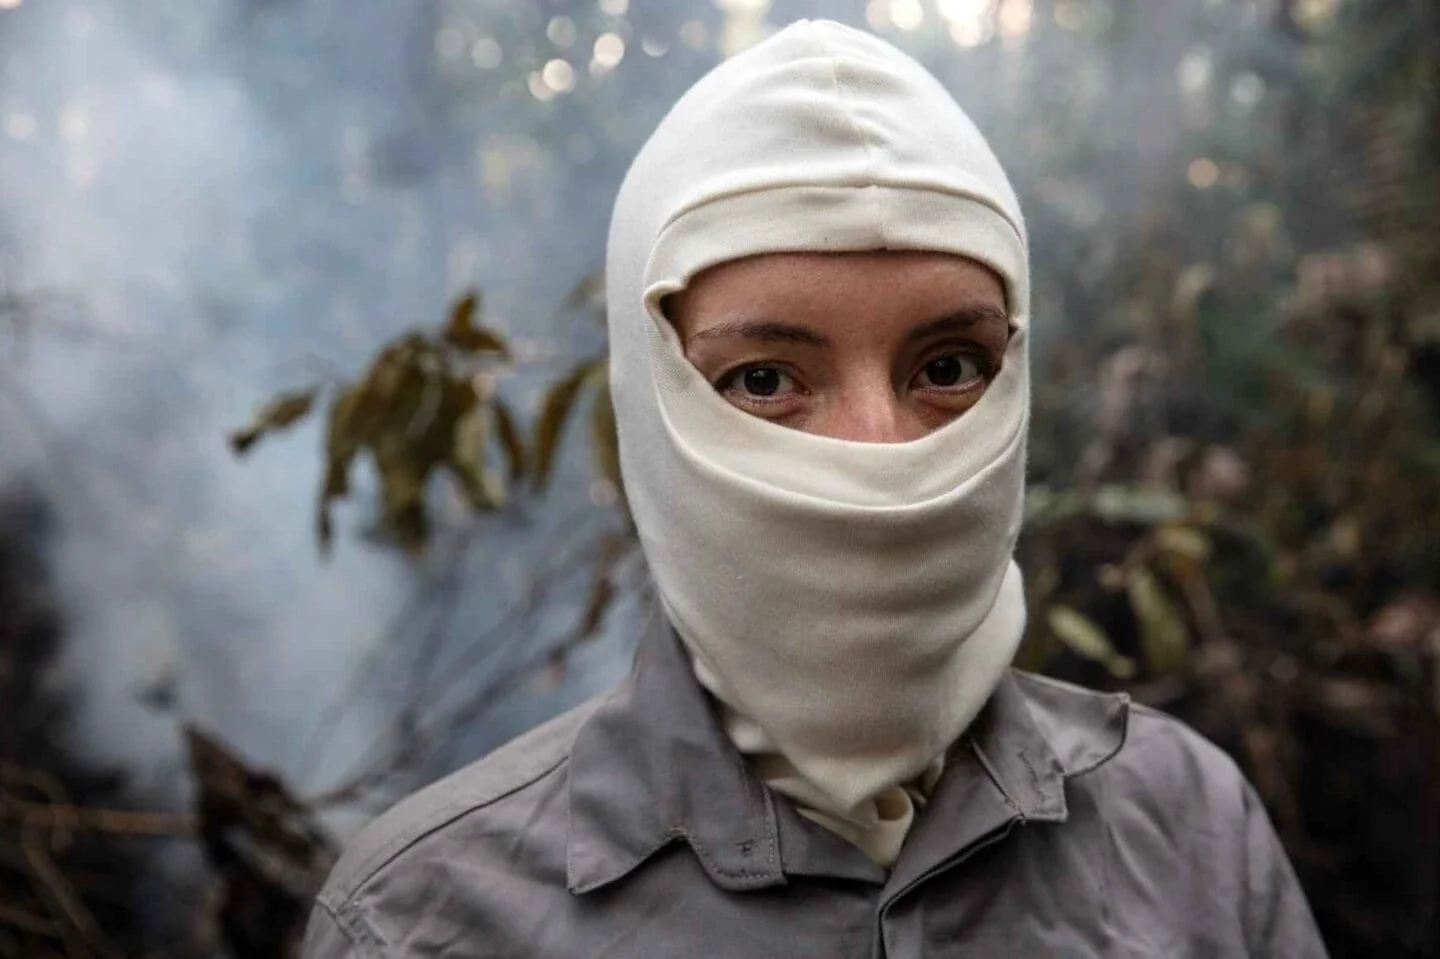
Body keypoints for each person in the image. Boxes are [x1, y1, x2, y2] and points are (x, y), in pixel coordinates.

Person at [301, 19, 1327, 957]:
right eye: (764, 379)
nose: (876, 455)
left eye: (948, 367)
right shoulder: (425, 919)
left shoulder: (1191, 831)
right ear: (649, 407)